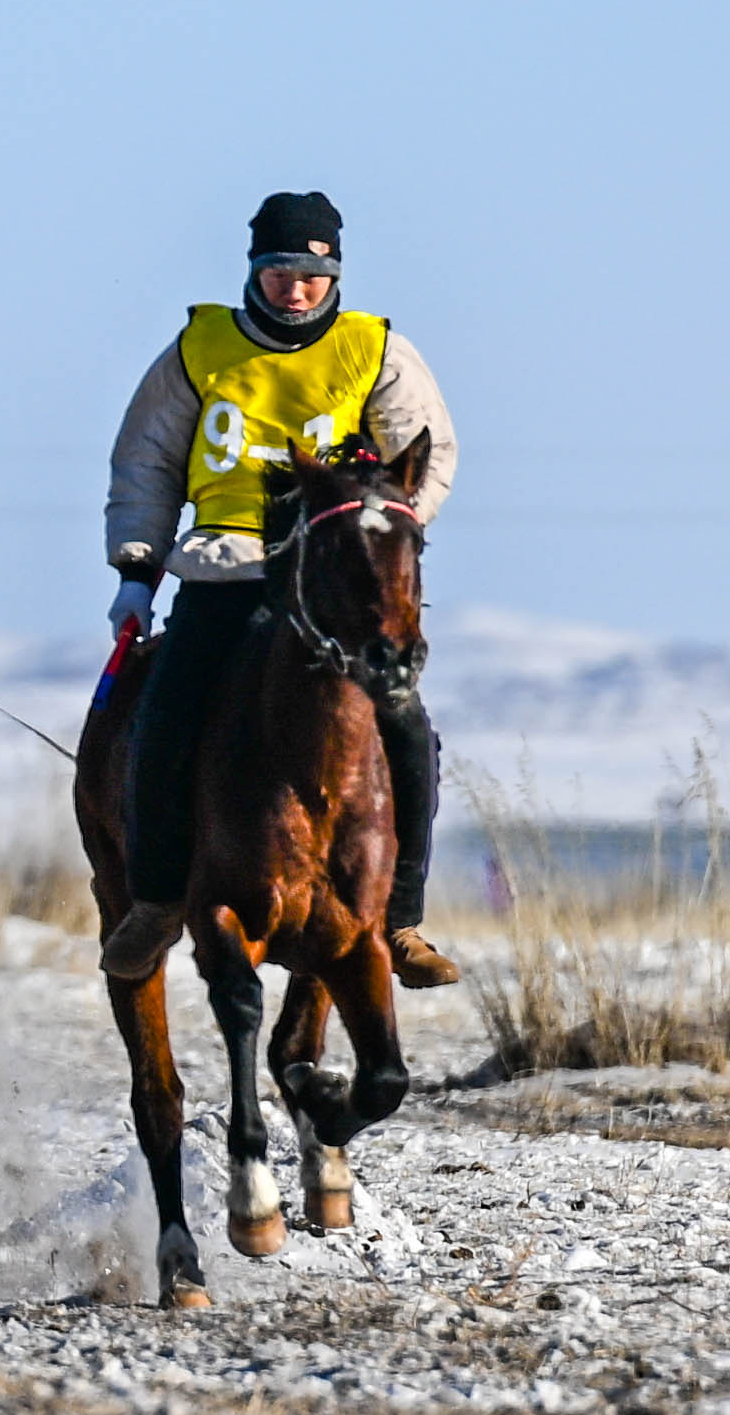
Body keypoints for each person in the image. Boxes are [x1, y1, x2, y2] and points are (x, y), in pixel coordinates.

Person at [100, 191, 460, 990]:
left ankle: (399, 921)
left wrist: (373, 534)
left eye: (308, 272)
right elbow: (146, 463)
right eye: (277, 272)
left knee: (406, 727)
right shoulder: (199, 349)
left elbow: (425, 460)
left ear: (332, 273)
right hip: (222, 566)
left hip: (333, 584)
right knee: (162, 714)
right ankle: (157, 902)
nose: (293, 289)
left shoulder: (377, 353)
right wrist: (135, 569)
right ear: (253, 272)